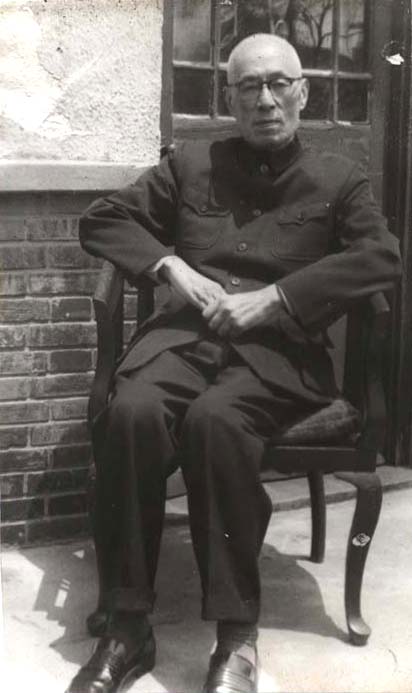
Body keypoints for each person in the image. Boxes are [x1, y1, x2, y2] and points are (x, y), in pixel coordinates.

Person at [66, 33, 401, 693]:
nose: (265, 100)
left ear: (303, 93)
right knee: (132, 411)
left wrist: (278, 299)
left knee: (216, 422)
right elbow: (102, 219)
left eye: (279, 84)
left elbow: (381, 257)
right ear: (230, 98)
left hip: (277, 359)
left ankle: (236, 635)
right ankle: (128, 627)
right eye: (249, 87)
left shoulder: (341, 179)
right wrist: (171, 267)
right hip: (181, 344)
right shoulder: (192, 165)